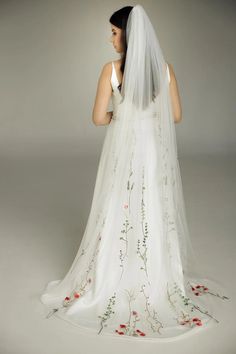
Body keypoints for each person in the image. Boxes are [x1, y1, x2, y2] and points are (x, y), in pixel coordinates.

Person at [40, 5, 230, 341]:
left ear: (128, 35)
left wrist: (120, 116)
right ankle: (156, 276)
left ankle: (114, 274)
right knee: (152, 208)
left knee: (119, 207)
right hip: (153, 152)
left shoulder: (110, 71)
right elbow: (175, 116)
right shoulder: (166, 70)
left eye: (114, 32)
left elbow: (98, 118)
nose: (110, 38)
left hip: (123, 153)